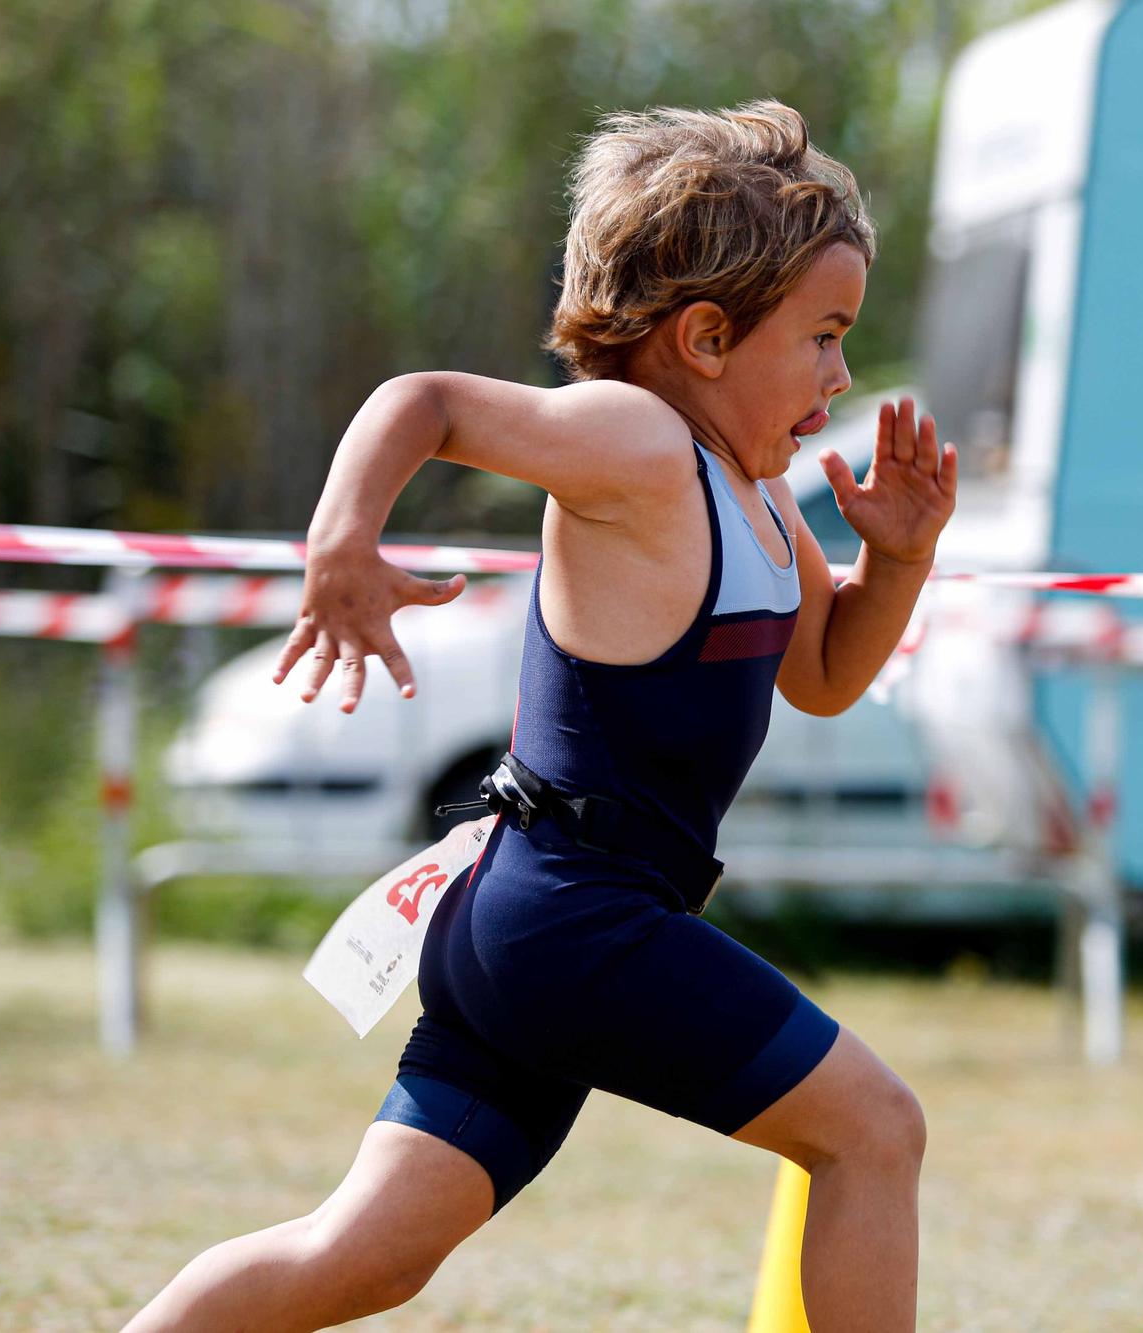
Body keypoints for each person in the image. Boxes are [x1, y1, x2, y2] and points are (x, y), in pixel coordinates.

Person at [123, 101, 955, 1332]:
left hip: (535, 921)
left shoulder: (763, 504)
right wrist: (340, 544)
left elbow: (822, 676)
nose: (841, 374)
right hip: (575, 916)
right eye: (825, 337)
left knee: (360, 1257)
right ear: (709, 335)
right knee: (873, 1131)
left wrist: (896, 561)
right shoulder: (636, 441)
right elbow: (426, 402)